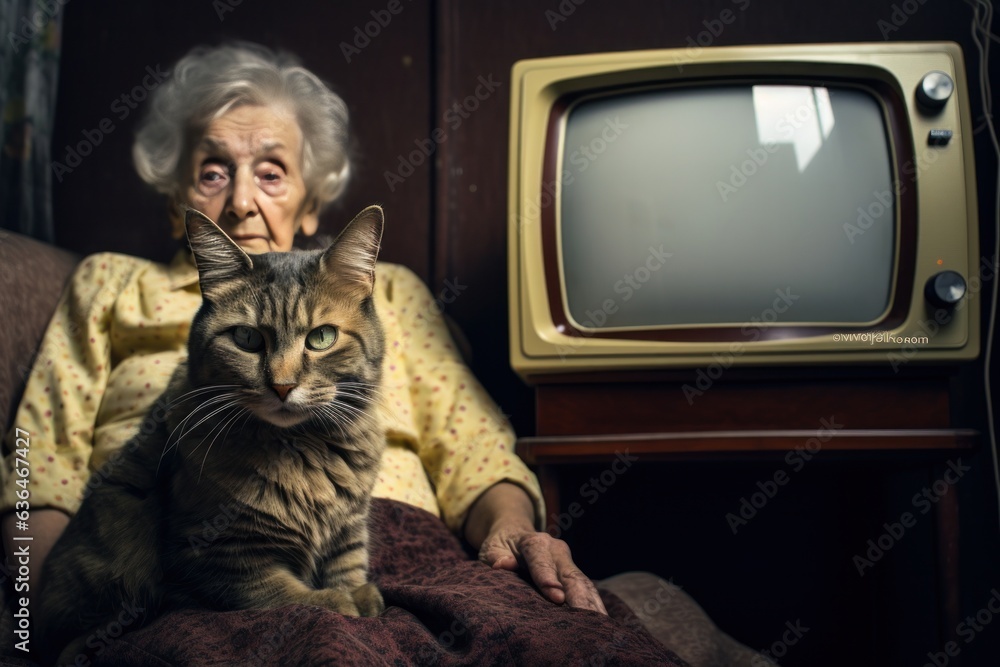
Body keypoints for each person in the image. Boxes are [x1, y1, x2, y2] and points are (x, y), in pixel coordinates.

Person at [0, 42, 762, 666]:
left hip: (398, 541)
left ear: (310, 202)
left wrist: (509, 532)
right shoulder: (111, 283)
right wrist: (36, 619)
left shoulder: (382, 289)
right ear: (177, 199)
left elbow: (474, 447)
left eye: (271, 171)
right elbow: (39, 456)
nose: (240, 199)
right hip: (200, 558)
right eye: (211, 170)